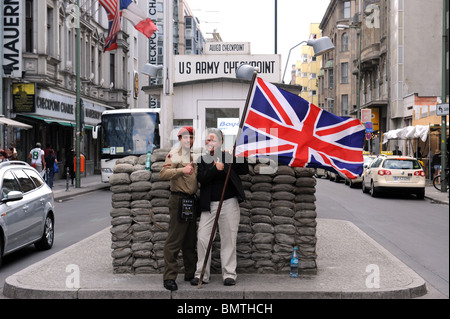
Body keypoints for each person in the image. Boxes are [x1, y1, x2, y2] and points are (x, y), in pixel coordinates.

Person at [191, 128, 249, 287]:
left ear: (221, 142)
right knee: (203, 238)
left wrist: (238, 155)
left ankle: (229, 274)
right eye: (207, 141)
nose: (210, 143)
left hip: (228, 203)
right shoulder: (202, 159)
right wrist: (215, 169)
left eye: (213, 140)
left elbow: (244, 170)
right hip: (209, 205)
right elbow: (202, 178)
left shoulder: (228, 156)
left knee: (229, 238)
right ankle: (202, 274)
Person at [159, 126, 198, 292]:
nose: (188, 140)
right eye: (185, 137)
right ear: (180, 139)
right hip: (178, 200)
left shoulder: (195, 155)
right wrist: (182, 170)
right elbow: (163, 173)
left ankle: (190, 273)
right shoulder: (175, 154)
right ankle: (169, 277)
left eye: (191, 137)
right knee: (174, 240)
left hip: (191, 201)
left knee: (190, 240)